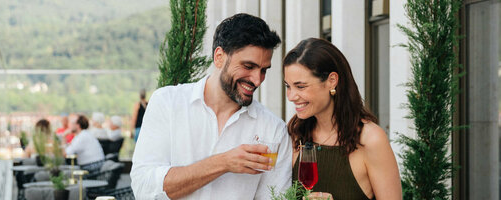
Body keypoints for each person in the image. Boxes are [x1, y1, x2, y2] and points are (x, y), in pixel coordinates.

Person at [131, 13, 290, 199]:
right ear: (219, 57)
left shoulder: (273, 130)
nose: (257, 79)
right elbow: (144, 187)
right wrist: (223, 163)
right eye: (248, 66)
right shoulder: (167, 103)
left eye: (263, 70)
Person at [283, 38, 401, 200]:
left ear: (332, 81)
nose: (291, 96)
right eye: (288, 86)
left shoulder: (371, 139)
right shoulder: (295, 134)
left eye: (300, 86)